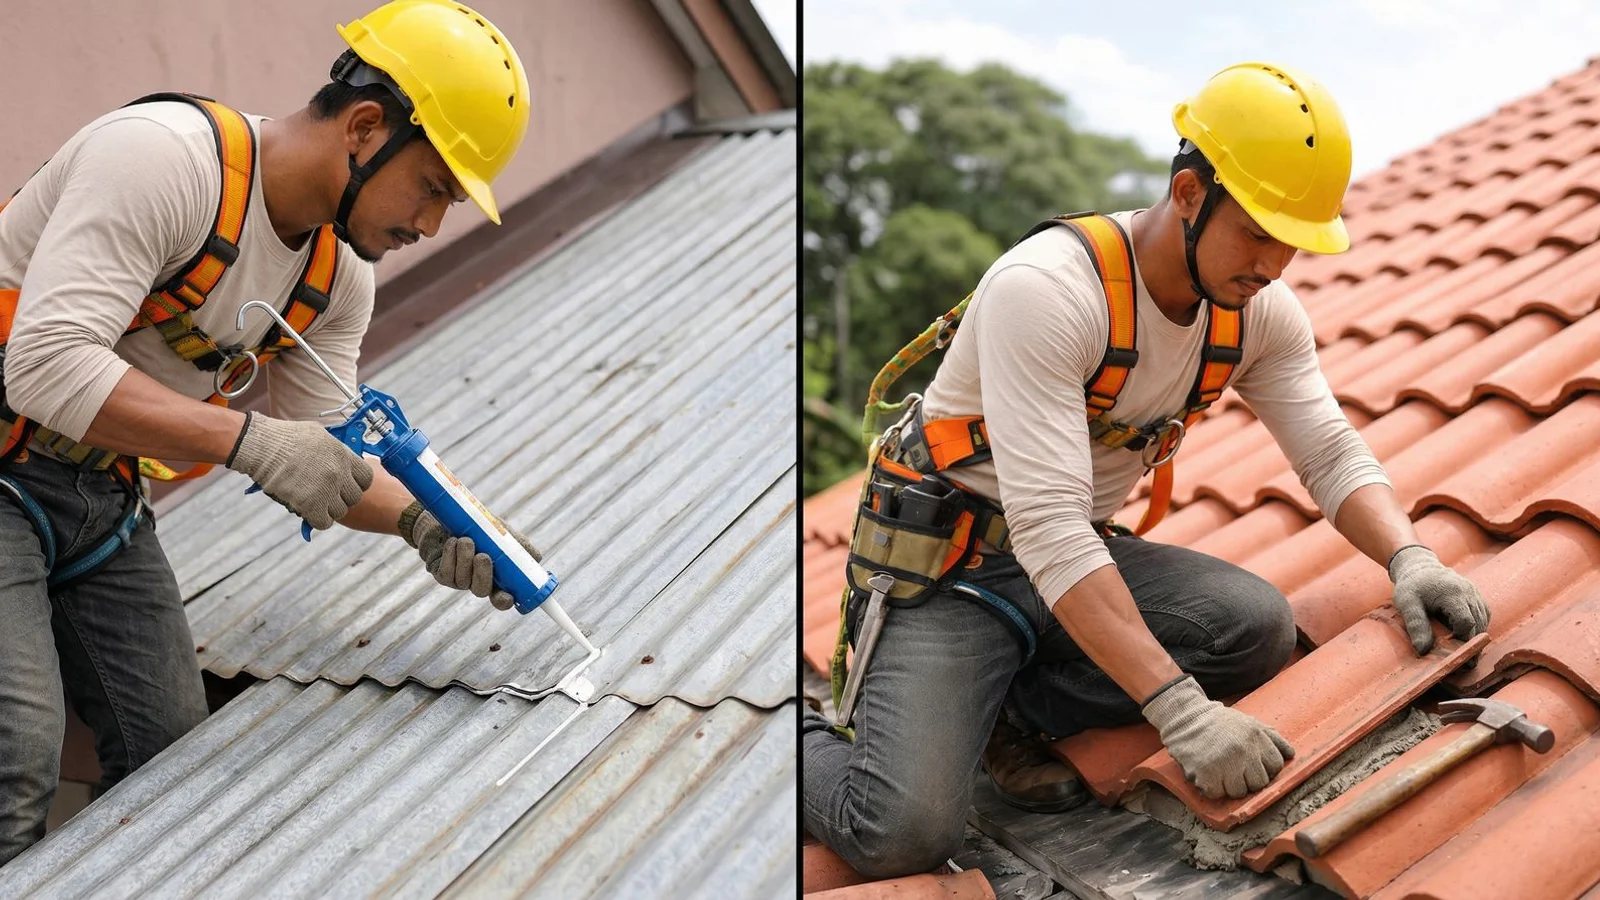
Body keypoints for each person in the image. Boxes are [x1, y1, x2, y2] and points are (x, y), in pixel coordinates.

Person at [802, 61, 1491, 878]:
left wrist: (1408, 556)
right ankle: (793, 730)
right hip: (950, 571)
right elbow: (1050, 527)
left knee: (1254, 629)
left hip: (1071, 563)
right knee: (901, 832)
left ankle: (1005, 704)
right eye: (1259, 233)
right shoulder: (1047, 290)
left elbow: (1329, 450)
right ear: (1190, 193)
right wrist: (1180, 714)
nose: (1274, 264)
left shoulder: (1255, 311)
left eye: (1294, 243)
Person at [0, 0, 543, 866]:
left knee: (171, 760)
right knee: (17, 756)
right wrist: (248, 441)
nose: (431, 225)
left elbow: (322, 459)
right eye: (434, 187)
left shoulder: (336, 277)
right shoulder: (164, 160)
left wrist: (430, 524)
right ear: (365, 128)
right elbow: (42, 366)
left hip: (101, 494)